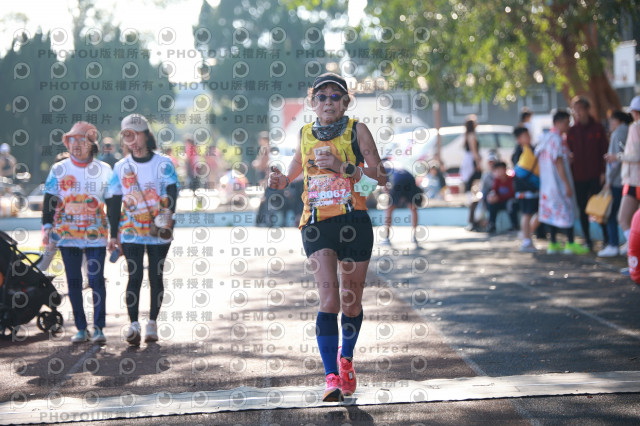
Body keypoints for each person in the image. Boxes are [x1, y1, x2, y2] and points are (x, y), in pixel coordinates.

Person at [268, 72, 386, 402]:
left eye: (335, 96)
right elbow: (295, 166)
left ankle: (346, 359)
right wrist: (282, 180)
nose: (328, 102)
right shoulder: (305, 133)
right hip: (316, 224)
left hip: (354, 222)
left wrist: (342, 166)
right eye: (321, 97)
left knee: (351, 302)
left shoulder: (357, 130)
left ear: (346, 102)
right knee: (330, 301)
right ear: (312, 103)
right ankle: (331, 377)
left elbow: (379, 177)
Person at [107, 114, 178, 345]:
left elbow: (172, 191)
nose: (133, 140)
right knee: (134, 275)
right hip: (131, 230)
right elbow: (114, 202)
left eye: (137, 135)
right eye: (128, 136)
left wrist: (167, 215)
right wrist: (113, 234)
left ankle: (152, 323)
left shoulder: (163, 163)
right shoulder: (120, 167)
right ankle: (134, 325)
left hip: (158, 229)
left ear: (147, 135)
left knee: (155, 276)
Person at [42, 122, 112, 344]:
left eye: (81, 140)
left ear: (92, 144)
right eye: (71, 140)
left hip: (96, 234)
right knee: (73, 280)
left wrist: (116, 233)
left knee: (96, 279)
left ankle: (99, 328)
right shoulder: (59, 169)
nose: (76, 145)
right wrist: (47, 226)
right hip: (67, 234)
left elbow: (113, 202)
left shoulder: (104, 169)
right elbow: (49, 199)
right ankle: (81, 328)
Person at [536, 110, 589, 255]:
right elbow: (558, 162)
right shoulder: (556, 139)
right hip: (558, 183)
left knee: (553, 213)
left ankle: (553, 243)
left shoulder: (545, 138)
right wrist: (566, 184)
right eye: (566, 123)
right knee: (566, 210)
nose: (568, 126)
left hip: (547, 183)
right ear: (557, 123)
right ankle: (570, 243)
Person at [567, 96, 609, 251]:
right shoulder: (572, 131)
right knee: (583, 207)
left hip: (596, 175)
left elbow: (604, 151)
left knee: (599, 208)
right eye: (575, 109)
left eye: (580, 109)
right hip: (578, 177)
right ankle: (588, 240)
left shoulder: (597, 128)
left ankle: (607, 239)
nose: (578, 112)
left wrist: (603, 172)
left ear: (587, 110)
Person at [606, 97, 640, 273]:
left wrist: (617, 156)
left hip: (634, 181)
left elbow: (636, 155)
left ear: (634, 112)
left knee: (624, 219)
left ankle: (634, 261)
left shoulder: (635, 127)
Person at [600, 110, 633, 257]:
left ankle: (614, 244)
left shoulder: (618, 133)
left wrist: (608, 180)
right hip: (629, 179)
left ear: (618, 120)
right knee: (628, 215)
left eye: (611, 120)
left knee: (612, 214)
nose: (610, 124)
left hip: (617, 181)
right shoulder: (631, 130)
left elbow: (613, 161)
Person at [512, 126, 540, 252]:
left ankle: (526, 235)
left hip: (534, 188)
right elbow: (519, 173)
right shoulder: (518, 153)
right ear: (518, 139)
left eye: (528, 135)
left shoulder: (532, 149)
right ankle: (526, 241)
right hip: (524, 190)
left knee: (538, 213)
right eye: (525, 136)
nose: (528, 138)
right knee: (526, 214)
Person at [380, 165, 423, 245]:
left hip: (399, 182)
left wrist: (391, 197)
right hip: (410, 180)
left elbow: (385, 187)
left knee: (389, 209)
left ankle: (386, 237)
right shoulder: (397, 166)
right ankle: (415, 237)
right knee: (413, 208)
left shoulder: (383, 167)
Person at [466, 151, 498, 231]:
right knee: (474, 203)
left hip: (496, 196)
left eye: (493, 162)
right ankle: (473, 224)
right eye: (490, 162)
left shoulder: (498, 173)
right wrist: (481, 196)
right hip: (485, 196)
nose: (491, 164)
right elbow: (482, 188)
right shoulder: (486, 175)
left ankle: (490, 224)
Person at [486, 161, 518, 233]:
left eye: (500, 170)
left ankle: (514, 225)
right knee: (491, 204)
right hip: (500, 201)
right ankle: (492, 224)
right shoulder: (497, 180)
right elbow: (494, 191)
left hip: (510, 201)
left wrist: (499, 198)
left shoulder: (511, 179)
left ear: (505, 170)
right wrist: (491, 197)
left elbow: (512, 194)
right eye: (496, 170)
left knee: (510, 203)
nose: (498, 172)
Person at [459, 115, 482, 196]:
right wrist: (477, 162)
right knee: (472, 178)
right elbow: (474, 151)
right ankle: (470, 196)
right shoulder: (471, 135)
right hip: (471, 159)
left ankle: (470, 195)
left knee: (470, 179)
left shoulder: (467, 135)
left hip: (468, 158)